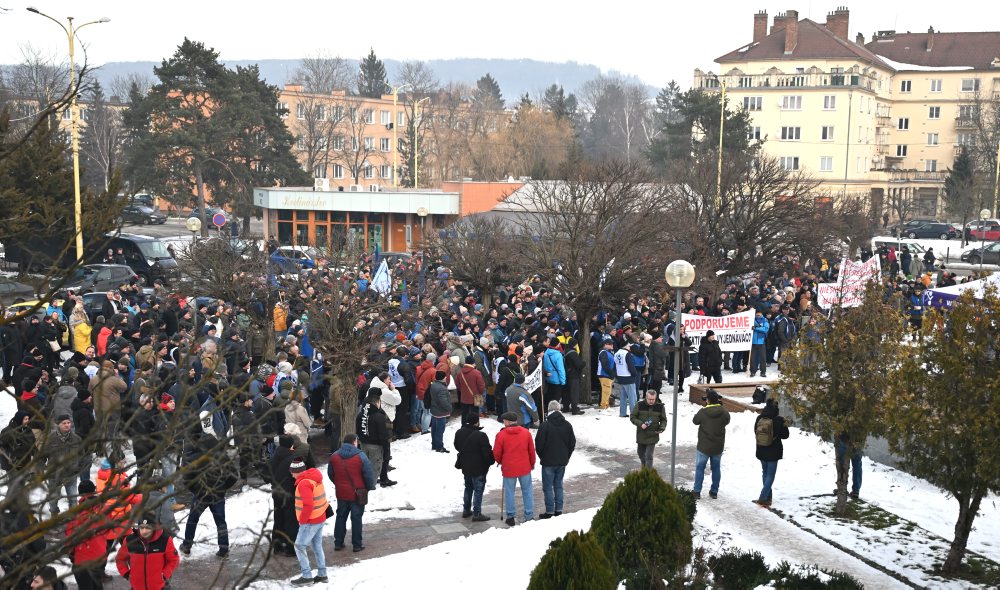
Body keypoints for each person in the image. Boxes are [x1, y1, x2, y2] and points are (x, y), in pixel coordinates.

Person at [179, 436, 237, 558]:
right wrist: (223, 488)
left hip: (201, 496)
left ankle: (187, 546)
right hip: (217, 495)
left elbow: (187, 479)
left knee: (192, 520)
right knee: (220, 522)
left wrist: (196, 490)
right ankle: (224, 549)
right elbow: (234, 476)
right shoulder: (222, 457)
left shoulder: (196, 458)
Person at [327, 434, 376, 554]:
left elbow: (330, 474)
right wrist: (368, 488)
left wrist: (338, 483)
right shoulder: (361, 456)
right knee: (356, 518)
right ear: (354, 442)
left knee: (341, 517)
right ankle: (357, 545)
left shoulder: (334, 456)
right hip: (357, 493)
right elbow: (369, 476)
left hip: (341, 493)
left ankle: (338, 542)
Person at [290, 457, 330, 586]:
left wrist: (302, 520)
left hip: (310, 521)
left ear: (297, 471)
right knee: (317, 545)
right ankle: (322, 574)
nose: (291, 474)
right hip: (320, 517)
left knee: (299, 546)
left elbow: (308, 504)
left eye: (292, 471)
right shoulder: (314, 478)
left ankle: (307, 576)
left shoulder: (304, 483)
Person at [115, 512, 179, 590]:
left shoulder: (165, 540)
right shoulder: (129, 541)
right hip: (136, 587)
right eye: (142, 527)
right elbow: (120, 559)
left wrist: (164, 574)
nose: (144, 531)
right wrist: (126, 574)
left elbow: (174, 560)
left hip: (157, 587)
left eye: (148, 528)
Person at [494, 411, 536, 526]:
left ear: (507, 422)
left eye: (504, 421)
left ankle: (511, 516)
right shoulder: (526, 433)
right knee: (527, 491)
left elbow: (496, 452)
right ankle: (529, 515)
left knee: (509, 492)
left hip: (509, 468)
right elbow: (531, 450)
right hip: (524, 467)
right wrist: (532, 463)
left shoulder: (501, 435)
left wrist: (500, 461)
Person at [534, 400, 575, 519]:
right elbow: (572, 443)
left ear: (549, 411)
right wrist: (566, 456)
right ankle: (559, 509)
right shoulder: (567, 425)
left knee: (547, 487)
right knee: (558, 486)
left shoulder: (545, 425)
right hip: (562, 461)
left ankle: (550, 511)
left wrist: (543, 456)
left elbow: (539, 445)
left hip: (548, 462)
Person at [66, 480, 107, 590]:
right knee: (97, 585)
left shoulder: (77, 513)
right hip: (100, 555)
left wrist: (71, 554)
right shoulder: (103, 508)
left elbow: (70, 536)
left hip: (82, 558)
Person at [454, 413, 494, 522]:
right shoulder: (481, 435)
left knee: (468, 487)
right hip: (479, 467)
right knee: (478, 489)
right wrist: (490, 462)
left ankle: (466, 510)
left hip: (466, 466)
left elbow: (457, 446)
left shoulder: (459, 432)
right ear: (477, 422)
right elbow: (487, 453)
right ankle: (477, 513)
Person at [692, 389, 731, 499]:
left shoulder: (703, 412)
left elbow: (695, 421)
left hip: (703, 446)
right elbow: (727, 420)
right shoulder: (724, 412)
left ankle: (697, 491)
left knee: (700, 468)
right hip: (718, 446)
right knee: (716, 468)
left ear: (707, 400)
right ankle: (714, 491)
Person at [753, 398, 790, 507]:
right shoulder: (779, 420)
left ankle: (768, 498)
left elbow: (755, 431)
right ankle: (763, 497)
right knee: (770, 475)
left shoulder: (759, 418)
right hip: (773, 452)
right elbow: (785, 435)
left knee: (764, 473)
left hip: (761, 449)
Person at [44, 415, 84, 515]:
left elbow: (83, 455)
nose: (67, 425)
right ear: (58, 424)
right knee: (53, 499)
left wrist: (78, 468)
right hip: (54, 474)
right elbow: (42, 456)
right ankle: (54, 516)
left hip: (71, 474)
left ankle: (73, 519)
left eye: (68, 422)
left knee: (73, 499)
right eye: (64, 423)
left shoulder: (76, 439)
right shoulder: (50, 439)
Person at [356, 389, 394, 487]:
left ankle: (368, 481)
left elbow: (358, 430)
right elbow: (383, 435)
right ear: (377, 402)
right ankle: (370, 485)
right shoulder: (379, 417)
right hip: (376, 446)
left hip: (364, 444)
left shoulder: (361, 415)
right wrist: (386, 449)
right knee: (375, 466)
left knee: (366, 465)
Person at [268, 435, 299, 557]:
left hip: (277, 493)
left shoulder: (273, 457)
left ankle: (277, 546)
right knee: (291, 521)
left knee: (278, 518)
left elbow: (267, 474)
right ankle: (290, 548)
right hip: (290, 494)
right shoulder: (294, 458)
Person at [631, 390, 668, 468]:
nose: (651, 401)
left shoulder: (660, 407)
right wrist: (641, 424)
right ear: (646, 398)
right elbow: (633, 417)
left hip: (653, 434)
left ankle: (648, 472)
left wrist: (662, 427)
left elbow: (663, 420)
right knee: (640, 453)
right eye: (650, 399)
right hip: (641, 434)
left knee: (649, 455)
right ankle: (644, 466)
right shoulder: (639, 405)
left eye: (653, 399)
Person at [426, 370, 452, 453]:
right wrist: (449, 408)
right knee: (440, 430)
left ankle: (434, 444)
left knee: (434, 429)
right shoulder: (441, 388)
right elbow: (443, 401)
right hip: (441, 412)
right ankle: (439, 447)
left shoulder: (433, 385)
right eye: (445, 376)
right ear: (442, 378)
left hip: (434, 410)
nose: (446, 377)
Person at [834, 432, 863, 499]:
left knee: (842, 463)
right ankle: (856, 491)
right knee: (857, 465)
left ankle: (842, 488)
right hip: (859, 439)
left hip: (845, 437)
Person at [613, 342, 639, 417]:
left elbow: (615, 366)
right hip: (628, 378)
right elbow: (631, 366)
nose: (630, 347)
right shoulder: (627, 354)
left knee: (623, 398)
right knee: (632, 398)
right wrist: (634, 374)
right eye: (629, 346)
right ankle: (633, 414)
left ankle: (622, 413)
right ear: (626, 346)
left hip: (620, 377)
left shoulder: (616, 353)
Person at [561, 338, 585, 415]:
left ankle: (566, 407)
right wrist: (583, 362)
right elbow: (579, 364)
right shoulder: (573, 353)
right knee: (574, 392)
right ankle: (575, 409)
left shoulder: (565, 351)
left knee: (566, 392)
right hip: (574, 375)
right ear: (575, 344)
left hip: (567, 374)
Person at [595, 337, 616, 410]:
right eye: (610, 344)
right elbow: (605, 365)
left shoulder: (608, 352)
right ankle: (603, 407)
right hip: (604, 374)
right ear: (605, 345)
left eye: (612, 344)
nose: (612, 345)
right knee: (606, 391)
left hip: (607, 374)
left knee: (608, 391)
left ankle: (606, 406)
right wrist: (611, 373)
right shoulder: (603, 352)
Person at [749, 311, 769, 378]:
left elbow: (765, 329)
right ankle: (752, 371)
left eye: (759, 315)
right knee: (752, 358)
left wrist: (756, 328)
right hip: (753, 342)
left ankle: (763, 372)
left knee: (763, 358)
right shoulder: (751, 320)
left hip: (761, 341)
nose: (758, 316)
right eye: (757, 315)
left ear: (762, 314)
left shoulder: (765, 320)